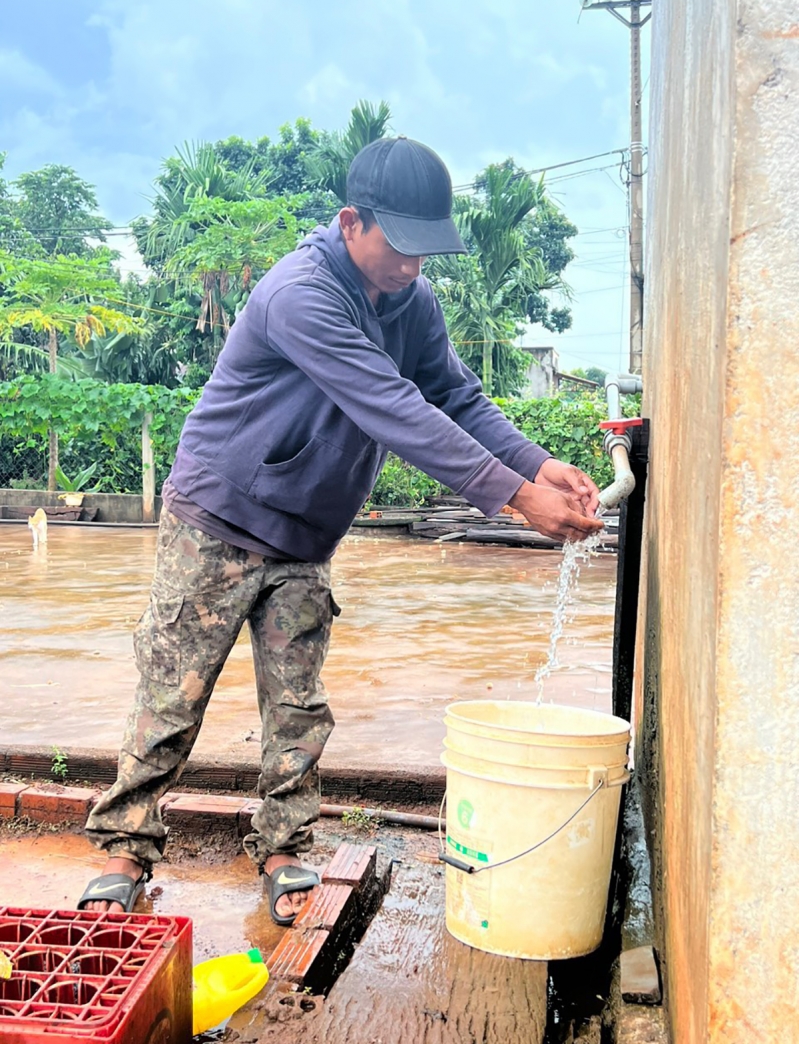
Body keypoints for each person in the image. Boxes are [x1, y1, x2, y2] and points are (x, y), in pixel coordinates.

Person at [79, 136, 602, 924]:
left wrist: (538, 463)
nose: (412, 267)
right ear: (351, 222)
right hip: (217, 518)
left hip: (306, 533)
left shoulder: (412, 302)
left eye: (427, 252)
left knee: (296, 703)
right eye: (400, 248)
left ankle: (285, 847)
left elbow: (453, 397)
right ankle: (125, 849)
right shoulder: (301, 292)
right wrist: (511, 496)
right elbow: (389, 406)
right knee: (173, 692)